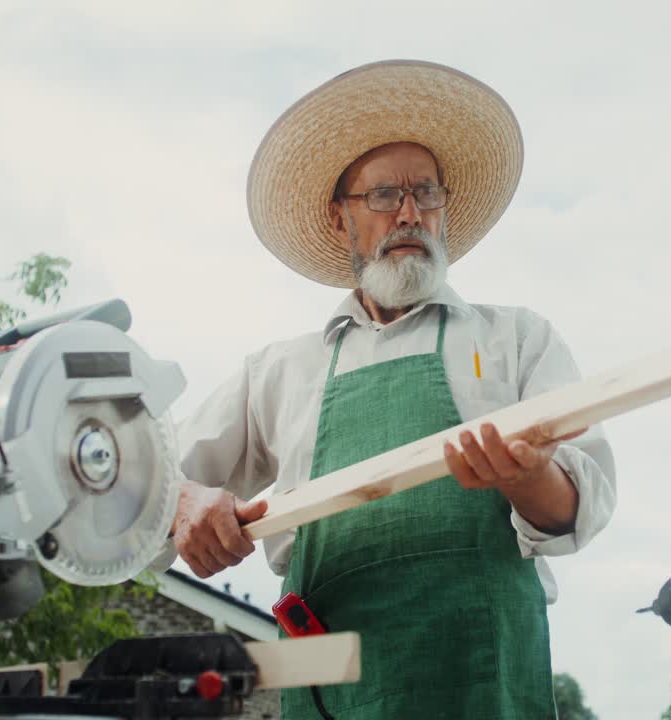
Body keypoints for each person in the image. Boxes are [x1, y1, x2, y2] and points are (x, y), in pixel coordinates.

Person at [165, 60, 616, 719]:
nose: (409, 213)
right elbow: (140, 492)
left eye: (426, 193)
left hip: (483, 675)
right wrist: (185, 502)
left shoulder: (517, 340)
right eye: (383, 196)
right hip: (332, 681)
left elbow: (582, 504)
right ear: (339, 216)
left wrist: (528, 477)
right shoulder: (278, 373)